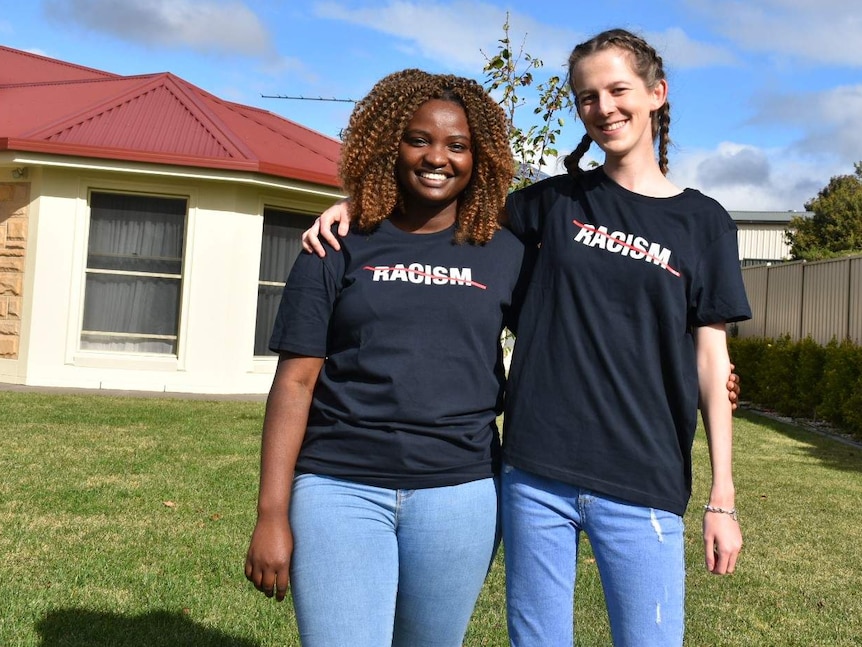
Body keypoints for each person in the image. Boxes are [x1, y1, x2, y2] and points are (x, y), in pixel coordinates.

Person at [301, 28, 750, 647]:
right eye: (587, 97)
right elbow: (442, 203)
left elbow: (711, 355)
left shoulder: (705, 223)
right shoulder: (551, 204)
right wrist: (357, 207)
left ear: (657, 94)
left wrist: (721, 498)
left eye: (618, 90)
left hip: (644, 474)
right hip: (536, 471)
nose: (603, 108)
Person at [244, 68, 526, 647]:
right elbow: (295, 384)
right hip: (338, 489)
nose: (437, 157)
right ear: (388, 144)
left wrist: (698, 366)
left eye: (458, 145)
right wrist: (271, 514)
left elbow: (570, 342)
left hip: (459, 494)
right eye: (418, 139)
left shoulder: (506, 252)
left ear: (481, 158)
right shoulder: (336, 244)